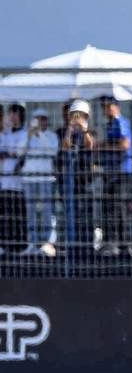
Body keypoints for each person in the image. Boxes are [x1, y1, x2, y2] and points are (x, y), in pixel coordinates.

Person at [59, 100, 95, 259]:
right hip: (69, 180)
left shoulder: (90, 131)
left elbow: (90, 145)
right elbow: (65, 146)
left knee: (86, 213)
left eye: (80, 115)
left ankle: (88, 246)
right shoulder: (66, 131)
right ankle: (72, 245)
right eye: (74, 115)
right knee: (71, 213)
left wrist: (84, 129)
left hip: (85, 178)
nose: (77, 117)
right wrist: (70, 128)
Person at [99, 97, 132, 256]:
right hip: (110, 172)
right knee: (110, 208)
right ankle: (113, 243)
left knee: (119, 209)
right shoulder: (110, 124)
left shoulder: (121, 122)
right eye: (104, 107)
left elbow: (125, 144)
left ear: (116, 107)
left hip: (121, 173)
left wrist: (104, 145)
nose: (106, 110)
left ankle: (124, 245)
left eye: (109, 106)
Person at [22, 109, 58, 256]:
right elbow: (19, 152)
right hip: (29, 178)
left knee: (47, 211)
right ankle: (32, 243)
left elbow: (52, 152)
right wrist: (29, 136)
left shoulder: (51, 135)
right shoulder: (26, 134)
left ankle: (48, 243)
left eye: (43, 119)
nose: (40, 122)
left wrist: (40, 134)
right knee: (30, 212)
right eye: (37, 119)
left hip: (45, 178)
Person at [0, 104, 29, 255]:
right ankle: (6, 245)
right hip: (5, 181)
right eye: (11, 113)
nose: (12, 116)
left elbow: (19, 152)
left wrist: (11, 153)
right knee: (6, 214)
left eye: (15, 113)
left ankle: (20, 245)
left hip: (19, 183)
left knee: (19, 214)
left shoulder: (25, 133)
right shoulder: (5, 134)